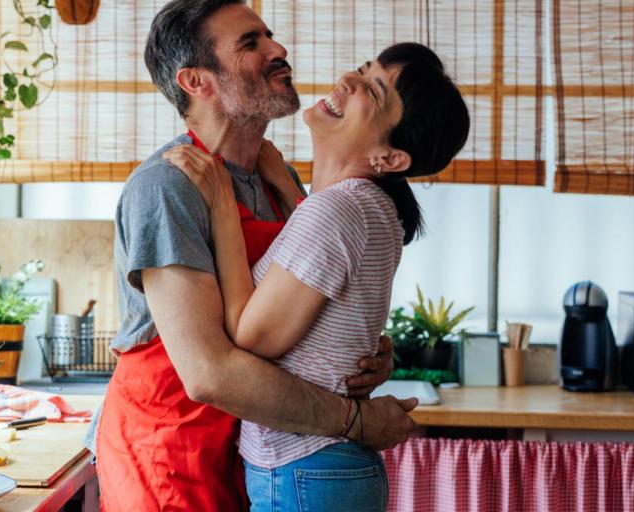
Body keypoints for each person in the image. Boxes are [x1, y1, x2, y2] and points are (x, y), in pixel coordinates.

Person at [92, 0, 419, 511]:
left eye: (270, 35)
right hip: (172, 457)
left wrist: (359, 356)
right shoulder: (169, 186)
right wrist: (354, 420)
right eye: (250, 43)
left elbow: (305, 308)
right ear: (197, 81)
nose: (279, 49)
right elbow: (208, 373)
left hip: (257, 448)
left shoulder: (277, 177)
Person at [164, 42, 471, 511]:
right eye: (364, 68)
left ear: (390, 159)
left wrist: (221, 201)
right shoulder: (368, 207)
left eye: (372, 89)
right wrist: (290, 188)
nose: (348, 79)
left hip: (307, 466)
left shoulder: (341, 209)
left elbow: (252, 336)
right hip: (321, 468)